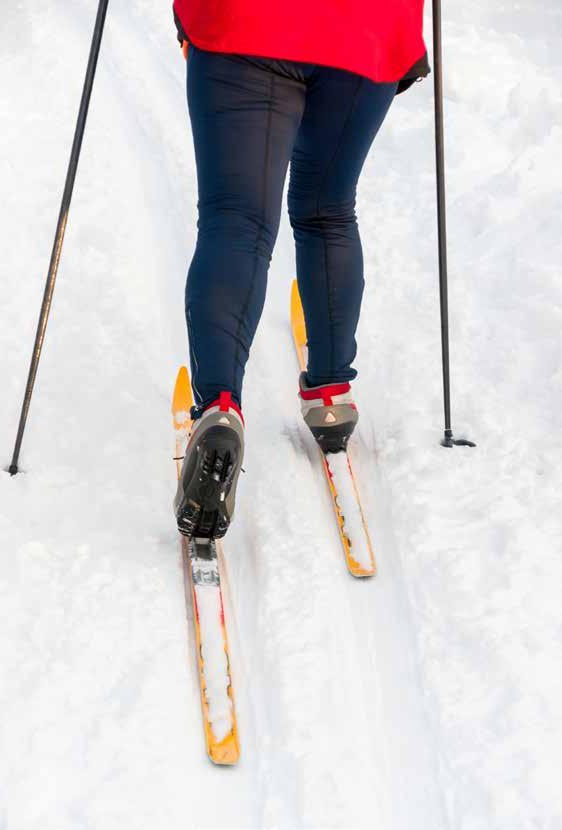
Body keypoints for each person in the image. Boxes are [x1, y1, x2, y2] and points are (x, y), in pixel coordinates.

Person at [173, 1, 429, 540]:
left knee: (237, 220)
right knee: (329, 209)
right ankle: (332, 392)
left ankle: (220, 407)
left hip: (247, 24)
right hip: (368, 28)